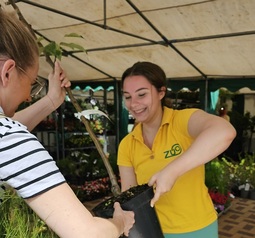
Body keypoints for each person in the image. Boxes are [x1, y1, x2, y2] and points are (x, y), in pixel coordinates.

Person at [0, 10, 134, 238]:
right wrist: (119, 223)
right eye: (32, 84)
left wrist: (52, 100)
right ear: (7, 72)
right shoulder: (9, 136)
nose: (28, 97)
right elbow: (87, 234)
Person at [117, 61, 236, 238]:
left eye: (141, 94)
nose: (134, 104)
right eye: (127, 97)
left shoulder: (182, 121)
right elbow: (130, 196)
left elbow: (225, 132)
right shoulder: (127, 144)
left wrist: (172, 171)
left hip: (197, 228)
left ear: (161, 92)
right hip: (153, 231)